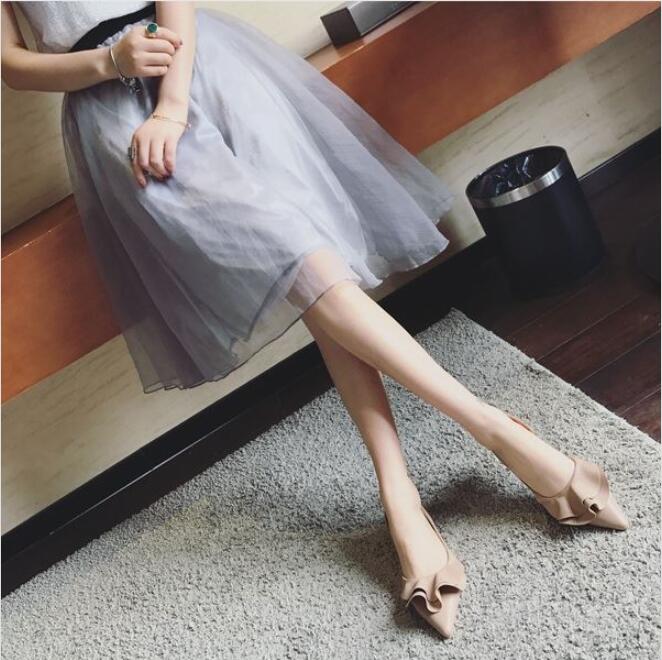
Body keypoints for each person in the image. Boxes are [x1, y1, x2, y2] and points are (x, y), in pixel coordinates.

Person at [1, 1, 630, 639]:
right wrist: (109, 61)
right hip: (112, 113)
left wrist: (172, 105)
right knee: (302, 268)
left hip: (200, 66)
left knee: (313, 273)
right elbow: (11, 63)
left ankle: (406, 495)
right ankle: (496, 432)